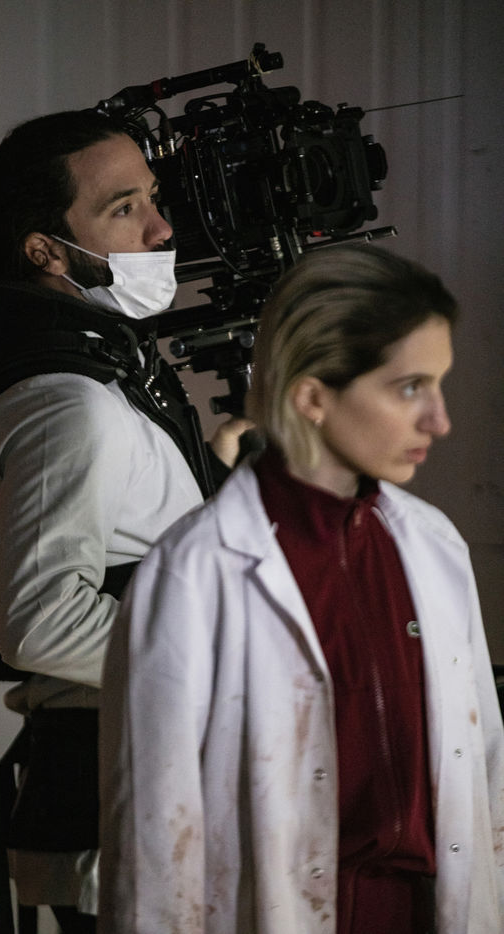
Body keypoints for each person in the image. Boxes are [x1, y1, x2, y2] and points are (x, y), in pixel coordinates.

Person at [99, 245, 504, 934]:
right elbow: (154, 849)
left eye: (437, 385)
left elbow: (484, 777)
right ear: (313, 396)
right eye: (410, 387)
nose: (438, 420)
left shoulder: (433, 546)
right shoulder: (194, 573)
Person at [0, 109, 249, 932]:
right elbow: (38, 621)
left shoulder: (95, 375)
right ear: (44, 250)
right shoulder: (63, 403)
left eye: (152, 197)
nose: (161, 228)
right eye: (123, 208)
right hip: (122, 810)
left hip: (149, 788)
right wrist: (232, 652)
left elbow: (133, 536)